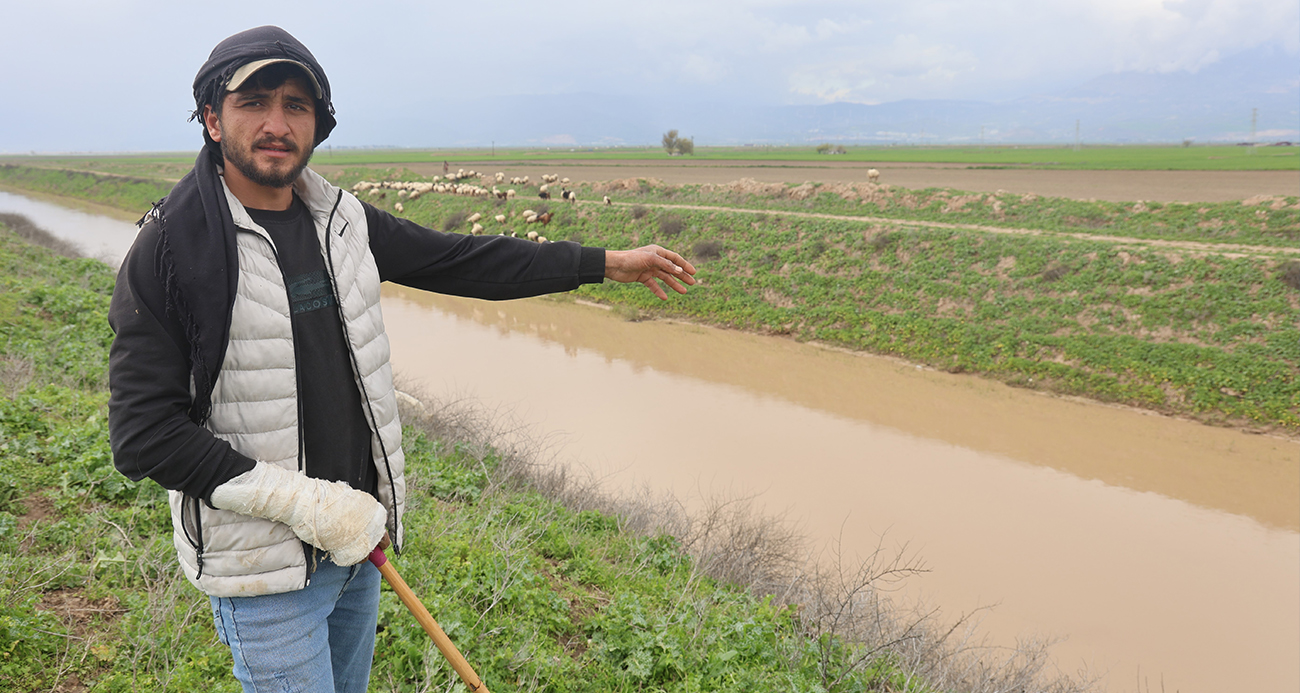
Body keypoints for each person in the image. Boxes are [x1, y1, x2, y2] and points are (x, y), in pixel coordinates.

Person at [106, 25, 695, 693]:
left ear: (317, 124)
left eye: (296, 105)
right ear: (213, 118)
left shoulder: (343, 222)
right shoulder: (171, 250)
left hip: (357, 551)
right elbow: (144, 436)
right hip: (267, 574)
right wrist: (306, 504)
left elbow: (462, 259)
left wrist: (605, 264)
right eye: (255, 102)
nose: (276, 123)